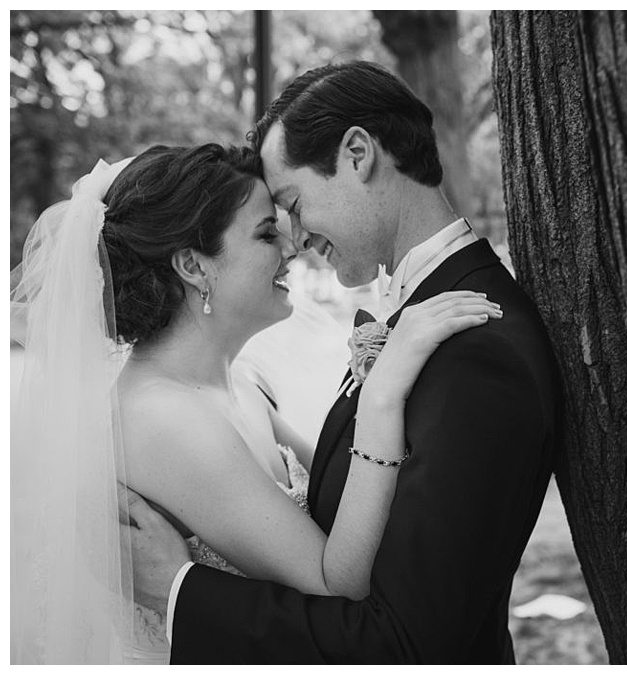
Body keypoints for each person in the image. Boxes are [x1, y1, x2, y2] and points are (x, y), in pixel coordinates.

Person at [125, 61, 562, 663]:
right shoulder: (422, 319)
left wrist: (183, 591)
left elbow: (405, 643)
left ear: (358, 155)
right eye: (272, 225)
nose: (295, 239)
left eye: (294, 204)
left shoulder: (474, 347)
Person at [9, 144, 501, 664]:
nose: (292, 249)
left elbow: (351, 497)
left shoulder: (237, 386)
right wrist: (382, 394)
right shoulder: (163, 418)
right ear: (194, 266)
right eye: (266, 233)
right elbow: (337, 582)